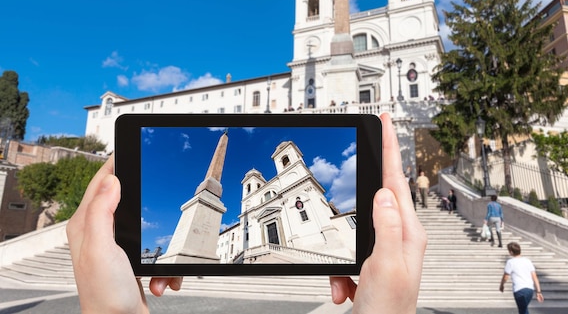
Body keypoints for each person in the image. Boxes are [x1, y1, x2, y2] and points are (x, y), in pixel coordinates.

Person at [66, 113, 426, 314]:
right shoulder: (255, 198)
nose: (253, 188)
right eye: (252, 185)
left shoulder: (296, 179)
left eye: (285, 159)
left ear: (288, 159)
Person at [499, 242, 544, 314]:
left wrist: (501, 285)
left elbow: (506, 276)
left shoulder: (510, 262)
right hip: (529, 289)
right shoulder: (527, 261)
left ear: (511, 252)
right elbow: (534, 277)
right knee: (523, 309)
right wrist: (538, 291)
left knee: (523, 310)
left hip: (519, 289)